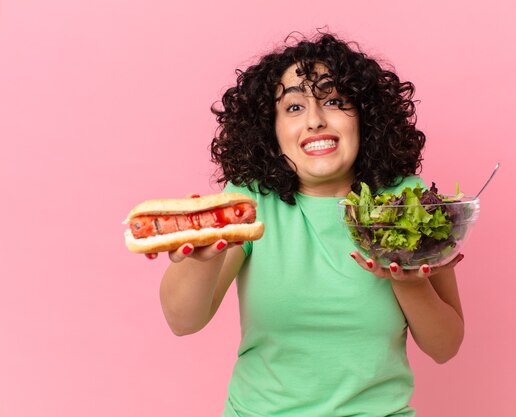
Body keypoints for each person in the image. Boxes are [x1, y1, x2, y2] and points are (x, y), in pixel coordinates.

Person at [153, 32, 465, 417]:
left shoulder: (406, 201)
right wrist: (201, 257)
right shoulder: (248, 202)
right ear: (272, 129)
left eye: (333, 101)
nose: (315, 121)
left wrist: (406, 278)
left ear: (365, 118)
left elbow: (445, 346)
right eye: (294, 107)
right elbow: (183, 321)